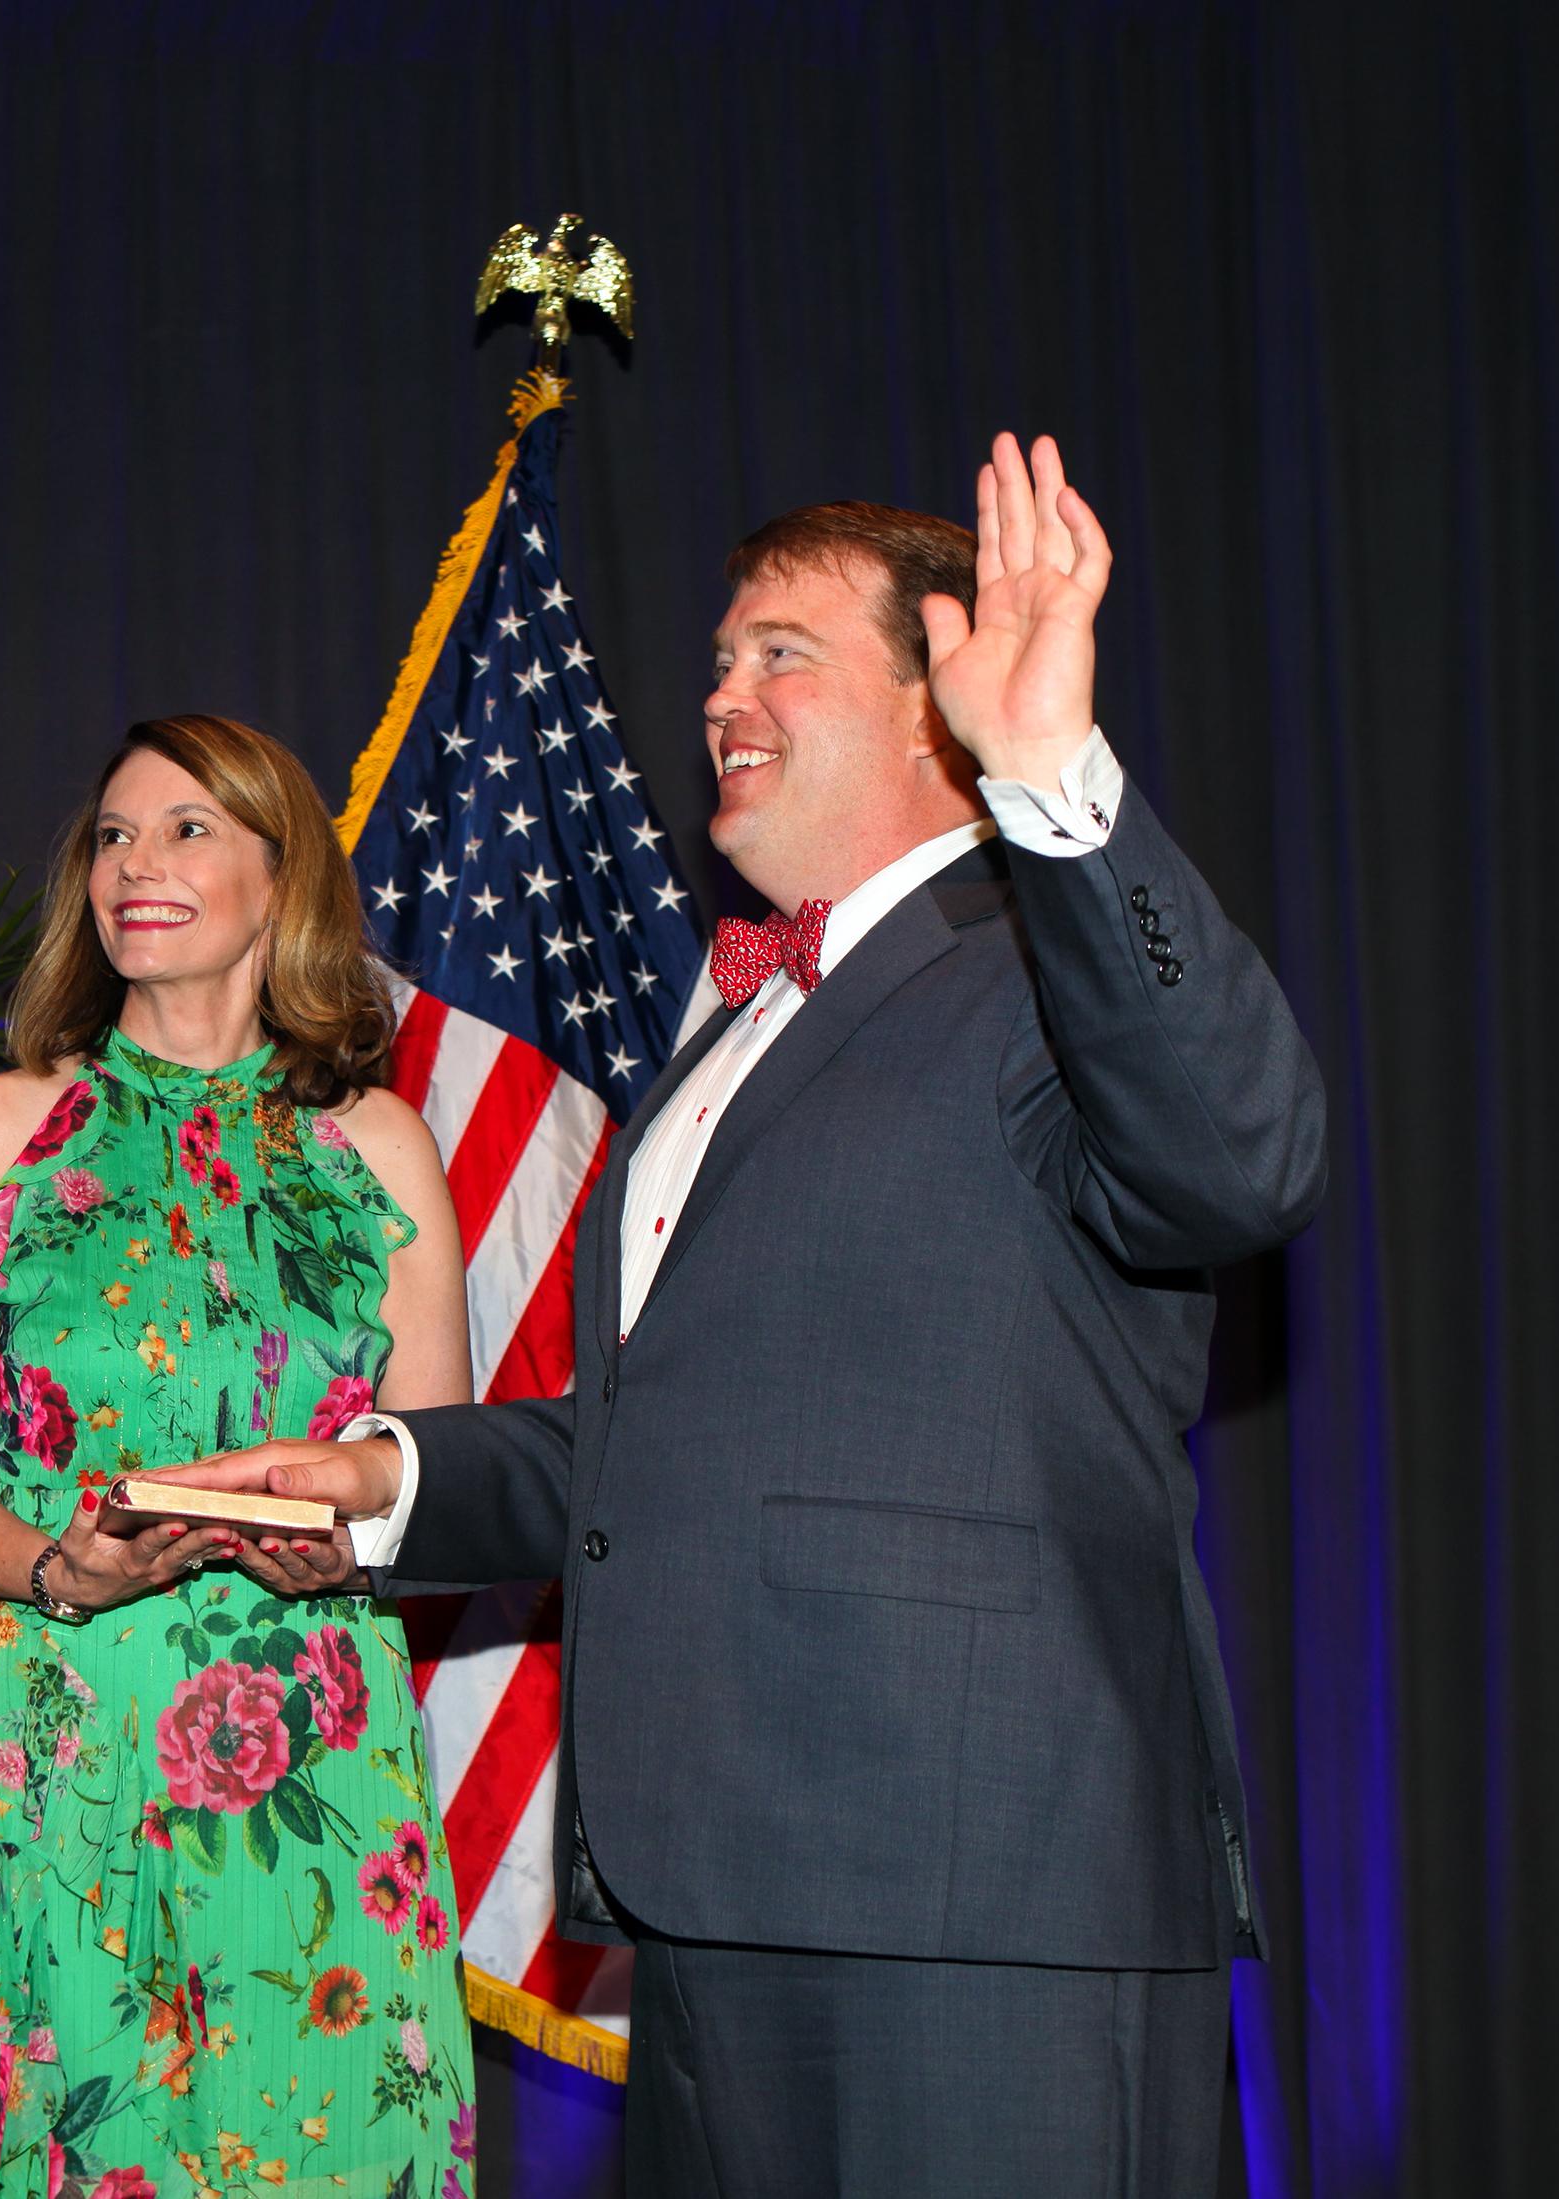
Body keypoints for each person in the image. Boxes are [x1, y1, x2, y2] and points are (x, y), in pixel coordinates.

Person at [168, 438, 1328, 2195]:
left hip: (980, 1903)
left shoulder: (1039, 968)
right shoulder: (715, 1038)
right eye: (717, 657)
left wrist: (1061, 780)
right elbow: (655, 1448)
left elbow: (1241, 1159)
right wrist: (390, 1484)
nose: (721, 691)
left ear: (943, 697)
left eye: (781, 649)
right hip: (712, 1918)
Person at [0, 716, 485, 2199]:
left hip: (313, 1750)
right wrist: (54, 1570)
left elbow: (442, 1482)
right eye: (113, 837)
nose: (137, 864)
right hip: (50, 1738)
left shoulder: (382, 1148)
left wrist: (351, 1546)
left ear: (280, 871)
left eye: (186, 829)